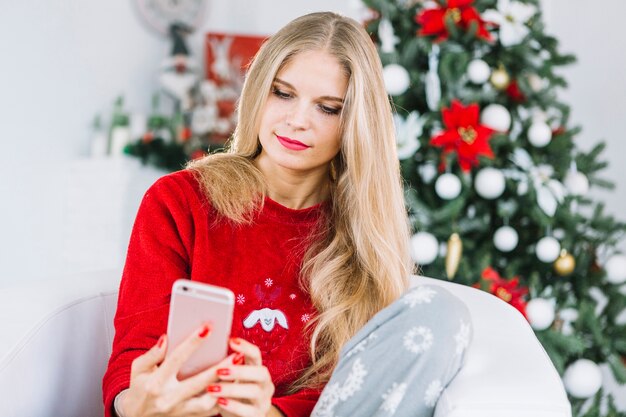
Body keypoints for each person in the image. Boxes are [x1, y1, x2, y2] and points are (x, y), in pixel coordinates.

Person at [103, 11, 472, 417]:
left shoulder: (364, 236)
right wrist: (139, 403)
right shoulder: (179, 202)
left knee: (441, 311)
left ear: (355, 123)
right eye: (282, 93)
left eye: (328, 108)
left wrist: (267, 413)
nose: (297, 121)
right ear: (259, 91)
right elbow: (131, 363)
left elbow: (353, 395)